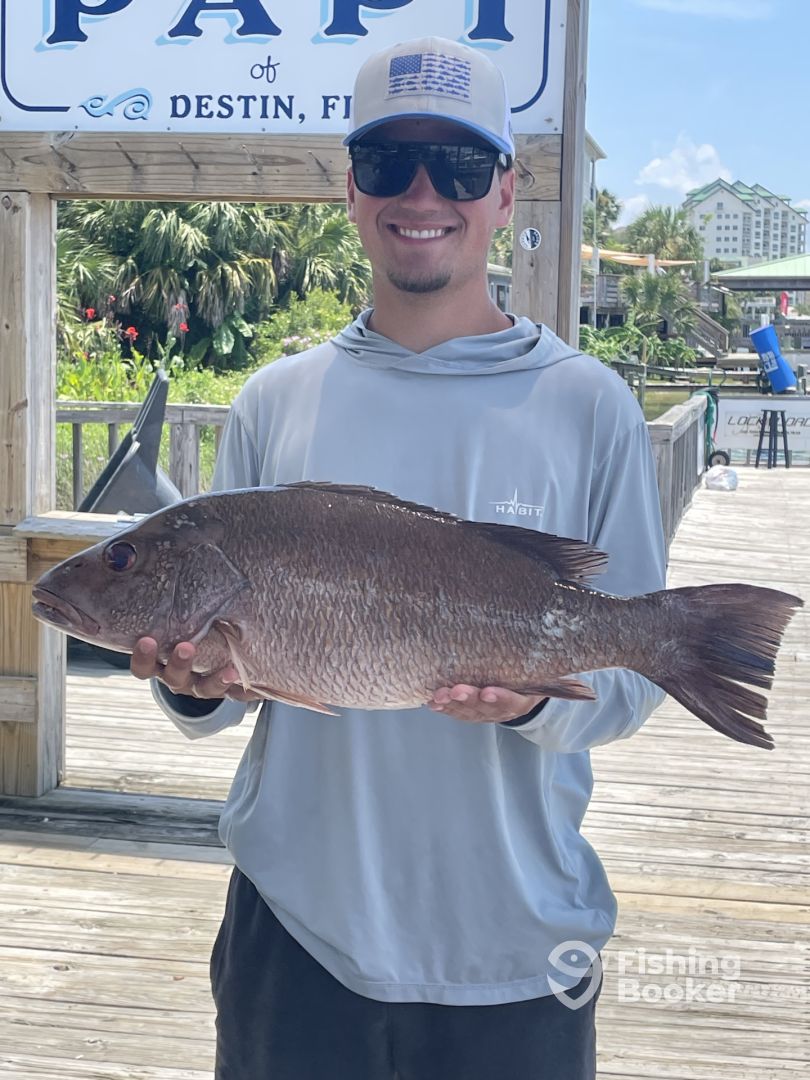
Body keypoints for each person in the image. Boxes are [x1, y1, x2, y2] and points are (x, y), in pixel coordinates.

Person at [132, 36, 666, 1080]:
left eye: (459, 165)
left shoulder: (590, 406)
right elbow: (231, 693)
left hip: (518, 946)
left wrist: (534, 699)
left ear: (505, 190)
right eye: (388, 161)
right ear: (351, 187)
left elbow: (637, 676)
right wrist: (190, 686)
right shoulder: (272, 401)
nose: (423, 193)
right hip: (297, 934)